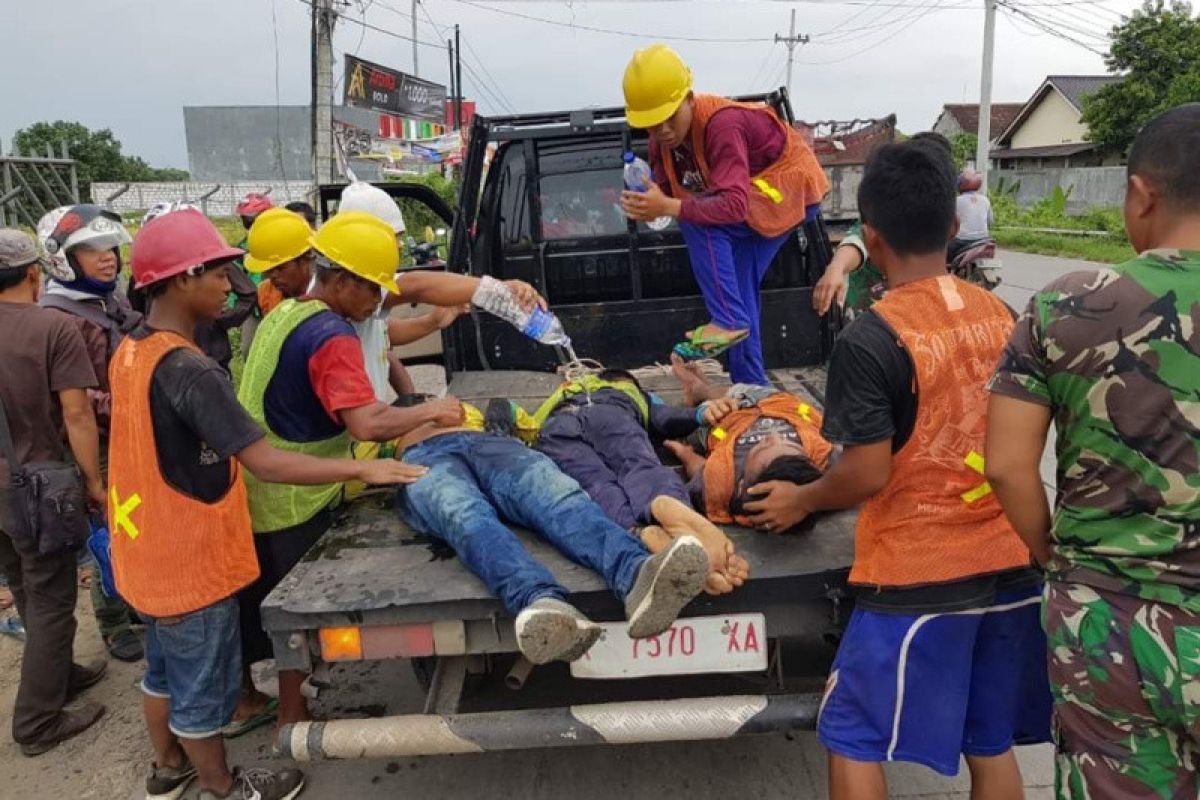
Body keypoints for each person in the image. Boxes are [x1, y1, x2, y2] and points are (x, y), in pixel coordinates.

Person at [744, 141, 1051, 799]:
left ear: (872, 241)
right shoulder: (1000, 314)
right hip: (1008, 558)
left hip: (917, 574)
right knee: (989, 741)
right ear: (951, 226)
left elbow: (865, 474)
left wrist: (803, 502)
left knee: (852, 733)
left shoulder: (872, 338)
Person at [109, 208, 423, 800]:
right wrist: (365, 464)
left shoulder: (133, 350)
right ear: (182, 278)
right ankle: (222, 785)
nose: (230, 286)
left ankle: (167, 767)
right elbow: (266, 462)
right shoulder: (193, 371)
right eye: (218, 275)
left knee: (162, 672)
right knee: (203, 685)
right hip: (188, 559)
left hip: (141, 550)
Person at [236, 210, 538, 729]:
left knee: (261, 596)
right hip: (292, 494)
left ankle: (261, 694)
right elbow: (369, 424)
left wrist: (489, 291)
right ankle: (291, 711)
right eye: (372, 290)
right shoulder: (331, 336)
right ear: (341, 280)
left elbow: (414, 286)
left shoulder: (291, 311)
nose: (379, 301)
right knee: (292, 608)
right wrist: (432, 410)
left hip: (263, 480)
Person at [985, 103, 1200, 799]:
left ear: (1142, 193)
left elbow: (1008, 467)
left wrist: (1051, 553)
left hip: (1111, 622)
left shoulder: (1065, 305)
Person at [396, 401, 711, 664]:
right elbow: (354, 455)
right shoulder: (380, 426)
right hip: (421, 458)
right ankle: (541, 603)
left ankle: (637, 575)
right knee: (466, 516)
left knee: (556, 497)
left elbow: (530, 426)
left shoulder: (468, 409)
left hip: (489, 443)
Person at [619, 44, 829, 385]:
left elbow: (732, 205)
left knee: (699, 221)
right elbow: (666, 194)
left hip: (787, 188)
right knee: (740, 288)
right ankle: (751, 387)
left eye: (670, 118)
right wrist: (650, 204)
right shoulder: (661, 141)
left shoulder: (722, 124)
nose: (663, 131)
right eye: (652, 125)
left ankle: (728, 319)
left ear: (689, 98)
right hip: (752, 199)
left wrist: (672, 207)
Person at [0, 229, 108, 757]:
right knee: (51, 600)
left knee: (23, 584)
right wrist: (93, 481)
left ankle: (60, 673)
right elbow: (76, 412)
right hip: (34, 485)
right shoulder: (53, 327)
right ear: (34, 273)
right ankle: (38, 722)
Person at [35, 204, 145, 664]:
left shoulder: (110, 301)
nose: (107, 258)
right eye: (91, 249)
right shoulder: (62, 315)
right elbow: (79, 399)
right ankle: (113, 621)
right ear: (62, 257)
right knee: (109, 528)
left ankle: (136, 596)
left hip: (128, 429)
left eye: (111, 247)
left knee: (136, 522)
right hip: (93, 441)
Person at [532, 368, 748, 594]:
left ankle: (637, 531)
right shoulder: (633, 394)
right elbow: (665, 418)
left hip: (556, 429)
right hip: (613, 416)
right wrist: (699, 414)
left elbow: (525, 429)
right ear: (629, 382)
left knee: (597, 486)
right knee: (640, 467)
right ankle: (664, 502)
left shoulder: (563, 395)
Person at [662, 354, 833, 526]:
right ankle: (705, 389)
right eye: (792, 445)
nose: (773, 436)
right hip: (781, 405)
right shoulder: (822, 456)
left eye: (763, 446)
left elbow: (701, 470)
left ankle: (697, 391)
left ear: (741, 484)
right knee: (742, 390)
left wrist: (684, 453)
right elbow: (851, 477)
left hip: (728, 420)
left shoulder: (723, 483)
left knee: (712, 410)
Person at [812, 132, 955, 318]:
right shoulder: (895, 205)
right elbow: (857, 240)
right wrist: (836, 268)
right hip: (873, 306)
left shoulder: (942, 206)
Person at [949, 168, 992, 262]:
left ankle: (948, 273)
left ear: (961, 184)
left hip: (962, 240)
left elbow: (950, 221)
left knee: (944, 255)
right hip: (984, 240)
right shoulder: (985, 200)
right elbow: (990, 222)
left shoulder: (957, 200)